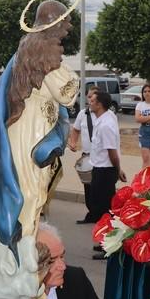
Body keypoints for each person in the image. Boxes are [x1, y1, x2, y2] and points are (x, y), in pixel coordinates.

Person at [85, 90, 125, 229]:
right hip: (100, 169)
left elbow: (112, 152)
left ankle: (106, 243)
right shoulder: (104, 118)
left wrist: (118, 169)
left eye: (93, 100)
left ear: (100, 104)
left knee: (103, 209)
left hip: (105, 172)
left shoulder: (105, 125)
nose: (90, 102)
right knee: (100, 206)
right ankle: (104, 241)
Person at [69, 87, 98, 221]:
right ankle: (92, 213)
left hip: (101, 157)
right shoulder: (82, 114)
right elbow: (75, 130)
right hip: (87, 156)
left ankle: (102, 213)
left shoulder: (105, 114)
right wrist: (73, 142)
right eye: (89, 97)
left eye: (93, 96)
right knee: (88, 187)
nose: (90, 99)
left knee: (100, 186)